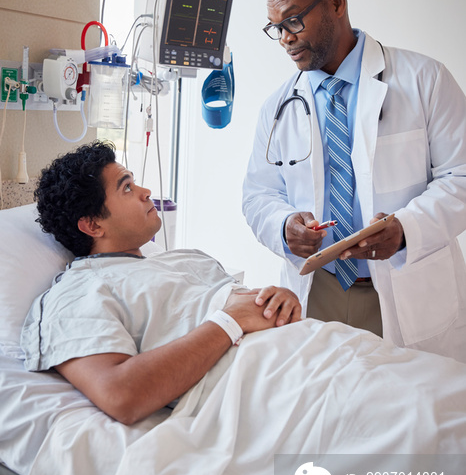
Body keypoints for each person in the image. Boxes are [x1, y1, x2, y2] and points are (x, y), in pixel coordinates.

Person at [242, 0, 466, 361]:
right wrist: (284, 225)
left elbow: (461, 177)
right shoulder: (278, 107)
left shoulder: (425, 80)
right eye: (276, 28)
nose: (285, 39)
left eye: (293, 21)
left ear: (337, 3)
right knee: (325, 411)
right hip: (317, 290)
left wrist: (405, 230)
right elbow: (258, 194)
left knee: (408, 410)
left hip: (405, 284)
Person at [20, 140, 301, 424]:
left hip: (308, 347)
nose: (146, 192)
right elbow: (121, 395)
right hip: (279, 386)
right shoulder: (81, 291)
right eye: (126, 187)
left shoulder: (189, 259)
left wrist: (278, 302)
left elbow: (247, 310)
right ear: (93, 225)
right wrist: (230, 321)